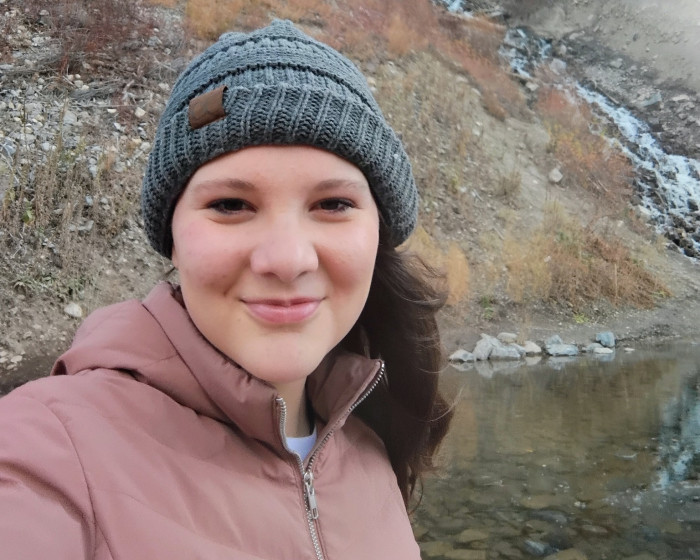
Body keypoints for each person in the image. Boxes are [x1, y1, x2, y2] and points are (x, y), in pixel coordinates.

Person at [0, 20, 452, 559]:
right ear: (173, 239)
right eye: (231, 205)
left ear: (379, 233)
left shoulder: (369, 448)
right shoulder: (50, 449)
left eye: (333, 204)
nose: (287, 260)